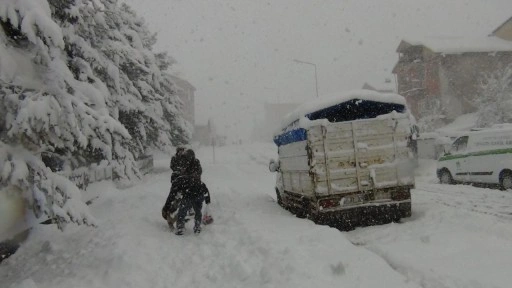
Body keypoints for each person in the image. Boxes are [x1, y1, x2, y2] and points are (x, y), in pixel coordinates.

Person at [170, 149, 204, 235]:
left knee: (183, 210)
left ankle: (181, 227)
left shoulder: (191, 165)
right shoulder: (193, 164)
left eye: (186, 157)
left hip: (190, 192)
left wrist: (181, 179)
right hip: (198, 191)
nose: (185, 159)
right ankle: (197, 227)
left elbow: (187, 177)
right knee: (197, 210)